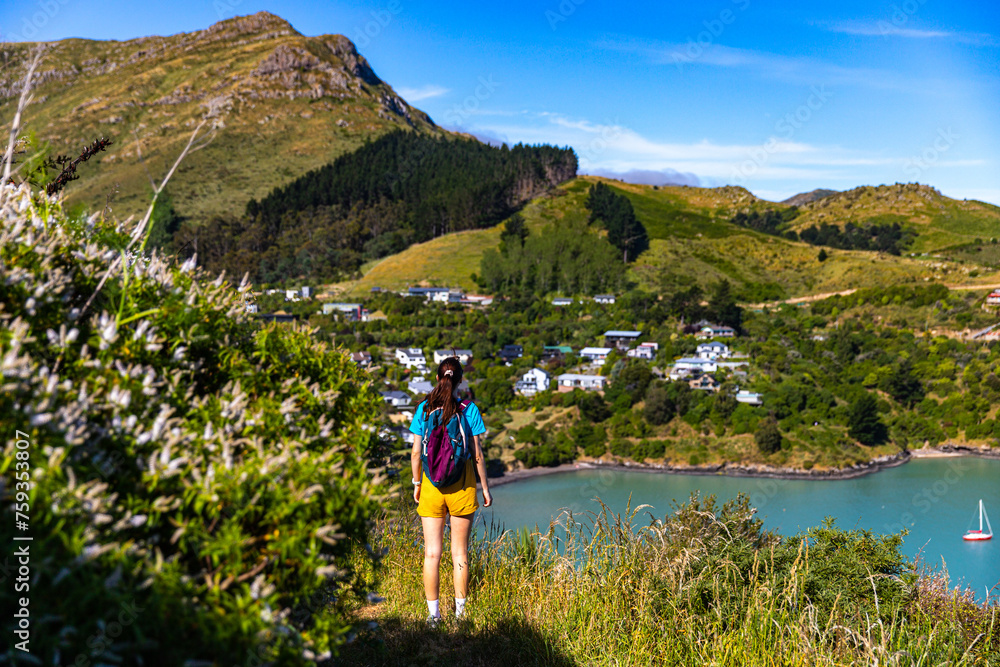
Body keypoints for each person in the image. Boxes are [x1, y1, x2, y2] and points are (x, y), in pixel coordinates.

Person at [410, 357, 492, 623]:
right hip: (462, 485)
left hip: (431, 485)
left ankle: (433, 618)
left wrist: (417, 483)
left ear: (437, 378)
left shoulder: (424, 408)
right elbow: (477, 454)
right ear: (460, 381)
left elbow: (414, 452)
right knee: (460, 553)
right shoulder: (469, 409)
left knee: (432, 553)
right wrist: (485, 488)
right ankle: (461, 616)